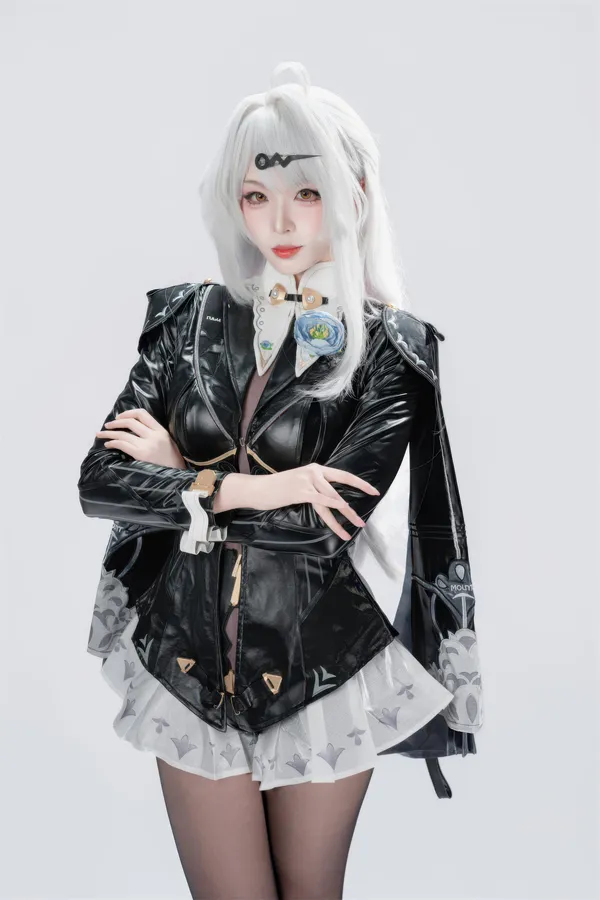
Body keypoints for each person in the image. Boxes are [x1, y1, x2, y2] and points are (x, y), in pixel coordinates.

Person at [78, 61, 483, 900]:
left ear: (353, 194)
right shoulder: (185, 320)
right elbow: (100, 481)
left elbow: (320, 526)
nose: (282, 220)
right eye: (257, 196)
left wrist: (180, 474)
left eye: (307, 193)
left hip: (323, 669)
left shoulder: (393, 349)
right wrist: (249, 487)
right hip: (184, 661)